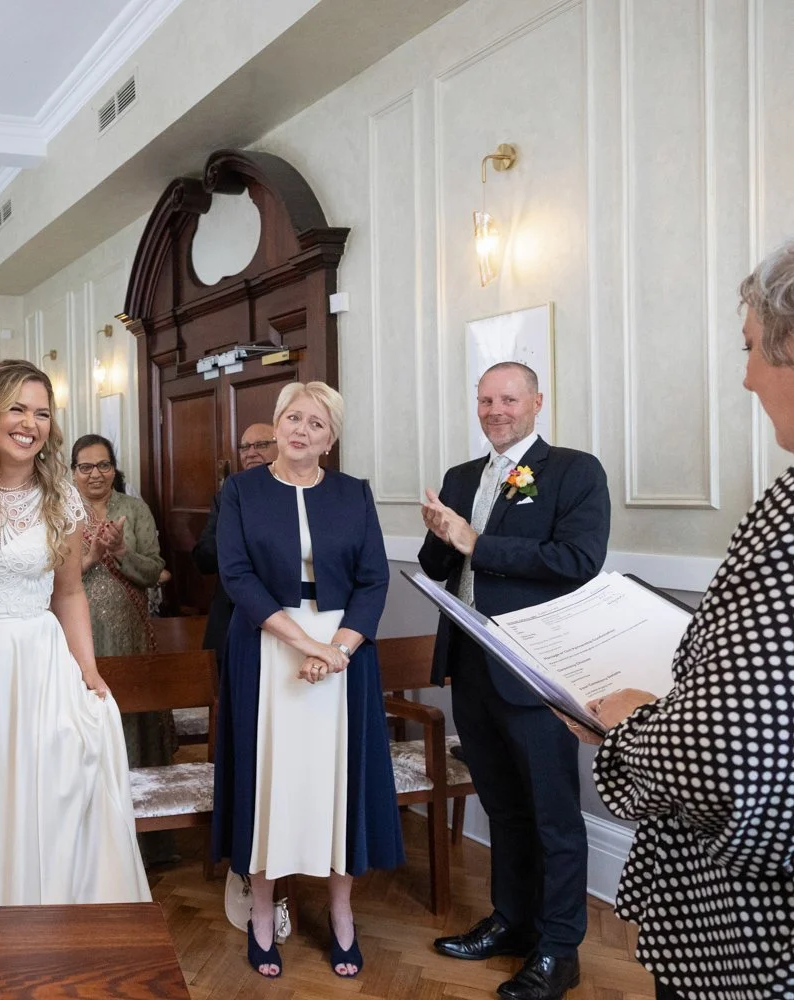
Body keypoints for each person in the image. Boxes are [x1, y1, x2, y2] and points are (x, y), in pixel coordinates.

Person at [570, 244, 794, 1000]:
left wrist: (629, 725)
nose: (746, 376)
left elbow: (728, 756)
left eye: (753, 349)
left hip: (751, 942)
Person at [0, 361, 150, 907]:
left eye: (42, 413)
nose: (30, 423)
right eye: (17, 408)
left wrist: (88, 671)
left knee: (48, 793)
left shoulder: (60, 497)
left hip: (39, 666)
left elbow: (68, 593)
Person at [418, 361, 610, 1000]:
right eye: (484, 401)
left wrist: (478, 543)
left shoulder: (575, 472)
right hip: (471, 665)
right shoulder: (461, 477)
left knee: (553, 814)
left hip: (536, 672)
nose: (494, 410)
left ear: (536, 402)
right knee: (501, 805)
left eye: (507, 399)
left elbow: (578, 562)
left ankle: (559, 949)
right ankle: (511, 920)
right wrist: (442, 535)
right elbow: (439, 563)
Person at [213, 381, 401, 979]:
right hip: (267, 648)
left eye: (317, 424)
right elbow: (237, 576)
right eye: (293, 418)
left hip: (344, 653)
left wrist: (338, 649)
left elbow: (374, 579)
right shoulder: (240, 491)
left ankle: (342, 914)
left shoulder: (354, 494)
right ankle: (262, 914)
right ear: (276, 424)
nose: (302, 430)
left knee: (336, 785)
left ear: (332, 437)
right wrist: (305, 645)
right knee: (270, 783)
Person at [69, 433, 173, 865]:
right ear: (72, 471)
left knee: (132, 724)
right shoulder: (59, 510)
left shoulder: (135, 510)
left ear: (115, 468)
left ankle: (145, 846)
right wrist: (93, 555)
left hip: (130, 634)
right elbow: (48, 577)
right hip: (77, 636)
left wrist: (122, 550)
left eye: (104, 465)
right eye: (85, 467)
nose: (96, 474)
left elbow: (155, 571)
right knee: (83, 728)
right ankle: (89, 847)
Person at [193, 423, 277, 658]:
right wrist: (234, 538)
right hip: (232, 613)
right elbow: (204, 558)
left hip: (283, 612)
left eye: (261, 445)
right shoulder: (226, 498)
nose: (250, 453)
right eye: (244, 447)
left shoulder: (296, 493)